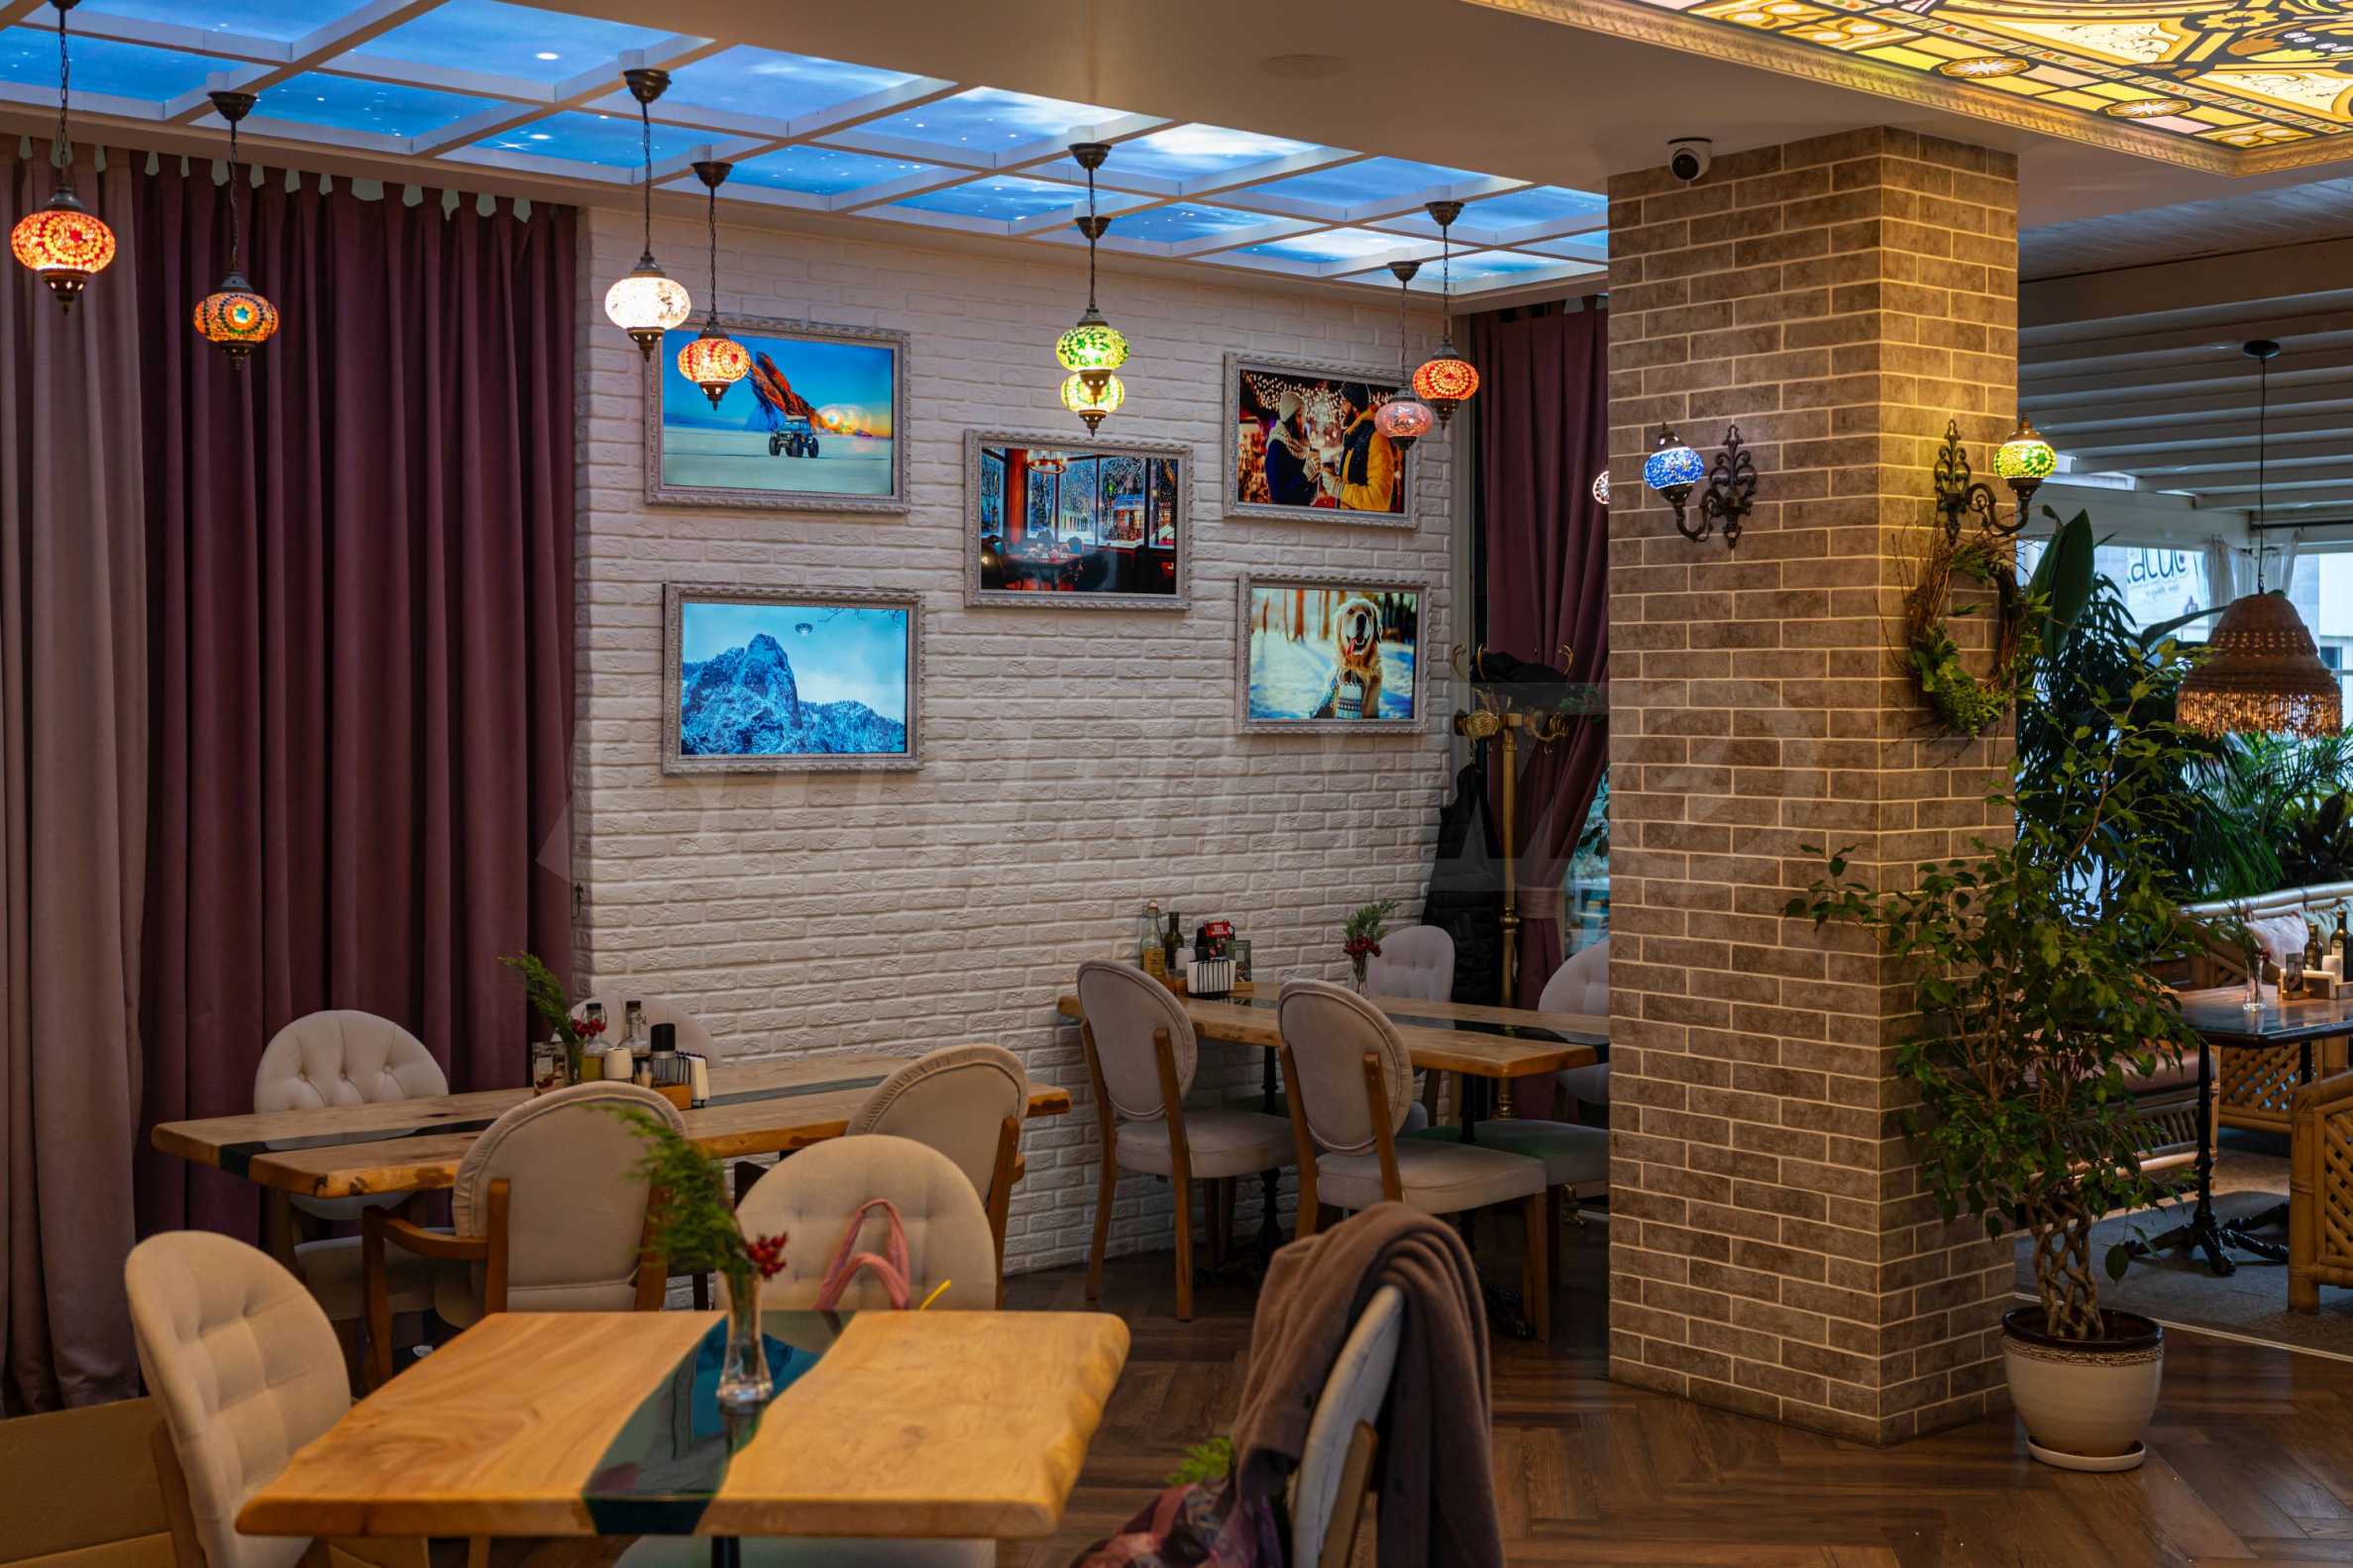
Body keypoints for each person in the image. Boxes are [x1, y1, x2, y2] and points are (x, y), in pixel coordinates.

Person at [1262, 390, 1322, 508]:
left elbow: (1310, 499)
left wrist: (1314, 477)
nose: (1303, 421)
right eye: (1299, 415)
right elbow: (1278, 497)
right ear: (1288, 417)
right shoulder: (1276, 447)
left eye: (1304, 416)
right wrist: (1304, 476)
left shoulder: (1303, 447)